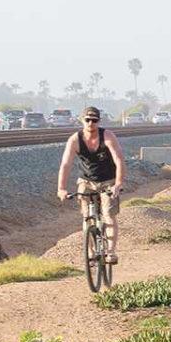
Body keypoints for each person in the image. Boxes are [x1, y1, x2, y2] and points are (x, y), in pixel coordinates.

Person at [57, 106, 126, 264]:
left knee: (108, 214)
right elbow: (66, 164)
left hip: (108, 180)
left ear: (99, 121)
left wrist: (118, 183)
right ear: (82, 120)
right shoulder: (75, 139)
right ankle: (90, 251)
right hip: (86, 180)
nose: (91, 123)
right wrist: (61, 188)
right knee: (87, 217)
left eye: (94, 120)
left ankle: (110, 252)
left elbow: (119, 160)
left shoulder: (107, 136)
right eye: (87, 120)